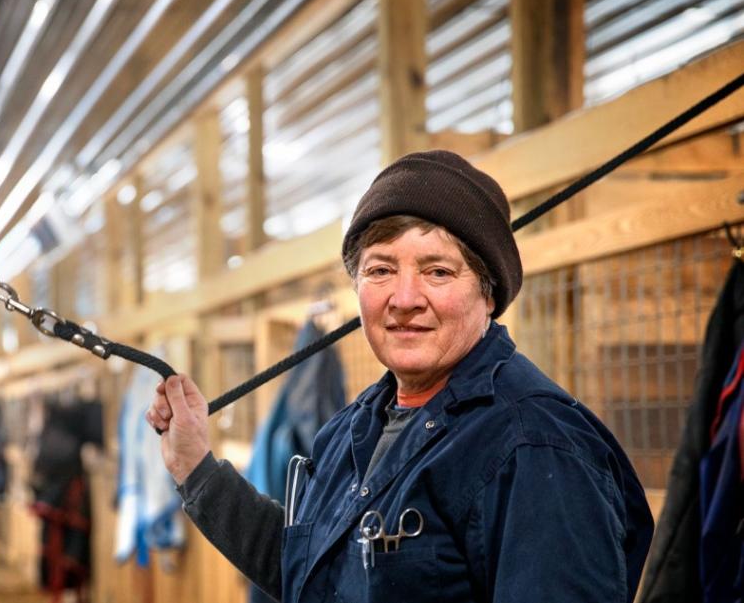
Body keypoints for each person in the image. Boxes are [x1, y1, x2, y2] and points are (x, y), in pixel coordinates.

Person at [145, 150, 655, 603]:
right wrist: (196, 467)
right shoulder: (351, 430)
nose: (405, 299)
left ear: (488, 293)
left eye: (437, 271)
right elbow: (315, 579)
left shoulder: (535, 447)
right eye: (381, 270)